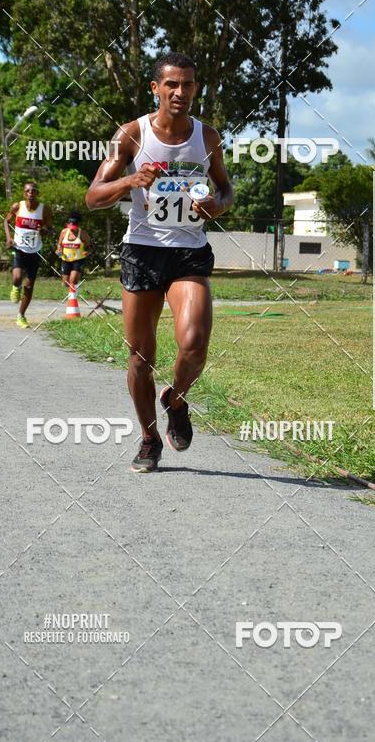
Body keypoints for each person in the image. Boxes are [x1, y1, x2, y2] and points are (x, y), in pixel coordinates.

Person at [86, 51, 233, 473]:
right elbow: (93, 197)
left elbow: (226, 189)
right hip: (143, 251)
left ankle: (176, 400)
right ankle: (149, 438)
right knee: (139, 358)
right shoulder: (132, 134)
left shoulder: (207, 138)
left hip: (188, 252)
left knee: (194, 343)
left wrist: (215, 206)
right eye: (171, 84)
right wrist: (132, 179)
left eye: (188, 84)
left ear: (195, 89)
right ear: (156, 88)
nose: (180, 92)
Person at [4, 182, 53, 327]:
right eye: (28, 191)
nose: (30, 193)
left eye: (33, 191)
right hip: (19, 248)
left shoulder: (45, 210)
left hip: (35, 250)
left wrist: (45, 231)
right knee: (17, 277)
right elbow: (6, 221)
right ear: (24, 193)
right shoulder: (17, 207)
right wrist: (8, 238)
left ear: (37, 193)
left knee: (29, 285)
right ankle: (15, 287)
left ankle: (21, 316)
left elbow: (50, 229)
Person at [56, 210, 92, 292]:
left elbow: (90, 247)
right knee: (65, 283)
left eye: (74, 228)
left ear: (78, 225)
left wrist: (88, 252)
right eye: (71, 228)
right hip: (66, 260)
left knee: (73, 280)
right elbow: (59, 244)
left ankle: (72, 299)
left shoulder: (83, 234)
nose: (72, 230)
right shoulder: (64, 232)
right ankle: (73, 293)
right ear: (68, 224)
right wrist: (59, 250)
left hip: (78, 260)